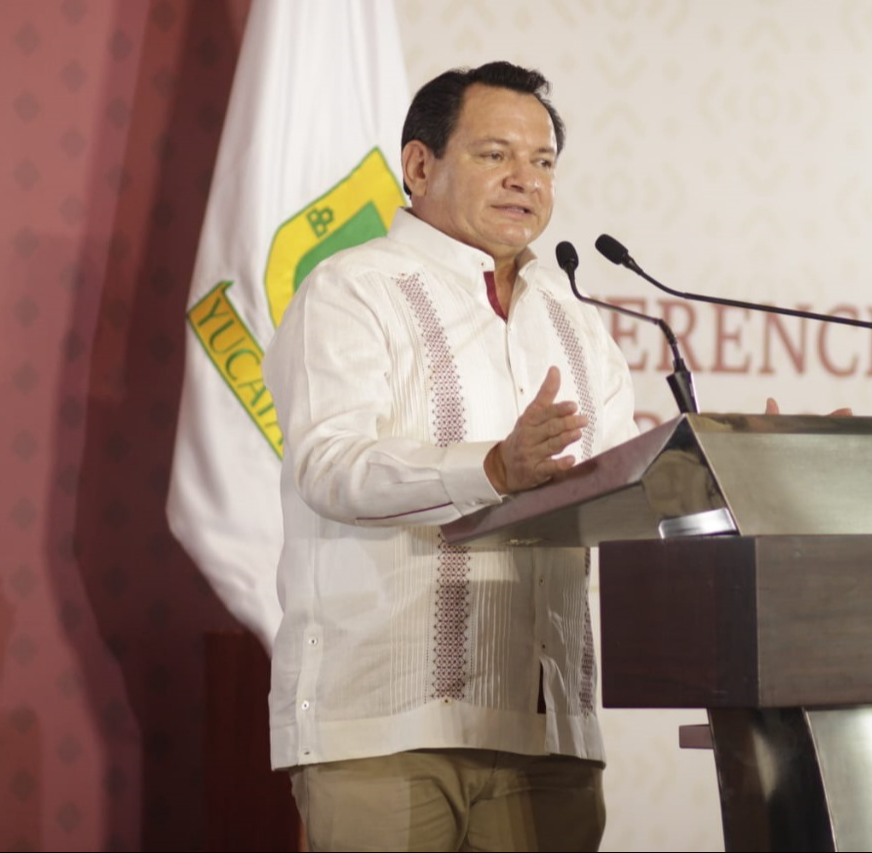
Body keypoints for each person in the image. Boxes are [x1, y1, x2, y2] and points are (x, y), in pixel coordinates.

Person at [261, 61, 639, 852]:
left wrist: (720, 461)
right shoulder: (350, 290)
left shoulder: (578, 324)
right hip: (383, 727)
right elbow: (331, 464)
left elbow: (615, 491)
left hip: (546, 730)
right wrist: (492, 469)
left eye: (542, 162)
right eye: (494, 153)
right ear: (420, 165)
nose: (523, 180)